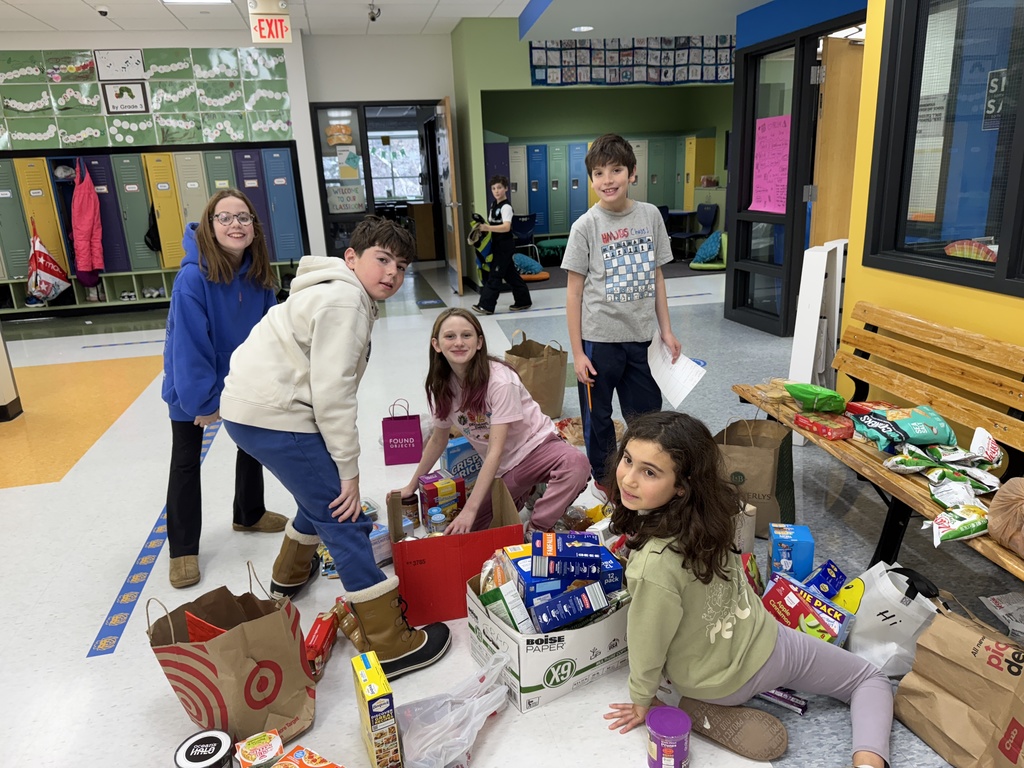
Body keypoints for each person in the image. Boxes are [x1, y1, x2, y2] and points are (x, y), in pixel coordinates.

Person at [220, 216, 450, 680]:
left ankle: (289, 575)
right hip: (278, 414)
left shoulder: (332, 289)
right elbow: (332, 394)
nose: (392, 273)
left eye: (402, 266)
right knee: (344, 514)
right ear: (352, 258)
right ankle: (391, 643)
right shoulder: (345, 299)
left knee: (319, 493)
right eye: (382, 260)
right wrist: (350, 469)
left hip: (252, 410)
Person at [603, 411, 893, 768]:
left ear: (682, 485)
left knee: (676, 663)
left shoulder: (652, 565)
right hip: (762, 640)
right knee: (869, 678)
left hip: (713, 676)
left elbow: (646, 642)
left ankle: (688, 707)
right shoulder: (712, 513)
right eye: (628, 460)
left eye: (649, 471)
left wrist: (640, 700)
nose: (628, 479)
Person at [161, 189, 284, 589]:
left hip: (243, 379)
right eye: (225, 218)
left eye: (244, 218)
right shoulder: (192, 278)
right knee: (185, 461)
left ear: (254, 228)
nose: (236, 225)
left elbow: (270, 334)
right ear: (210, 227)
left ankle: (248, 513)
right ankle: (181, 552)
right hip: (191, 384)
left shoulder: (260, 273)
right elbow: (189, 345)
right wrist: (204, 400)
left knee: (252, 444)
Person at [395, 308, 589, 536]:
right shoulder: (442, 386)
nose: (458, 342)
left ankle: (537, 526)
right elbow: (438, 440)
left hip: (538, 447)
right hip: (507, 467)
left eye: (466, 335)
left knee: (577, 464)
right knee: (472, 531)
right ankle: (532, 489)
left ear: (479, 342)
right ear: (436, 345)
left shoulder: (500, 381)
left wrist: (470, 508)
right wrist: (410, 486)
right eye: (450, 336)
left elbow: (495, 450)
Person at [561, 134, 682, 496]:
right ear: (591, 179)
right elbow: (573, 293)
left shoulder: (650, 216)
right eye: (599, 173)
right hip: (599, 342)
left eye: (616, 170)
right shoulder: (586, 226)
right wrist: (578, 353)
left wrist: (667, 330)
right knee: (597, 418)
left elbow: (657, 276)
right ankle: (604, 481)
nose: (607, 180)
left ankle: (646, 475)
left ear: (632, 173)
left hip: (642, 340)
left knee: (646, 416)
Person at [471, 174, 532, 316]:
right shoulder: (494, 205)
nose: (496, 191)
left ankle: (486, 305)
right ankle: (524, 300)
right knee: (511, 275)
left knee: (495, 275)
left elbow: (506, 227)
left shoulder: (506, 207)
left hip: (505, 246)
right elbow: (492, 224)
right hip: (496, 245)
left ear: (506, 189)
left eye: (499, 188)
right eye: (493, 188)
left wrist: (487, 228)